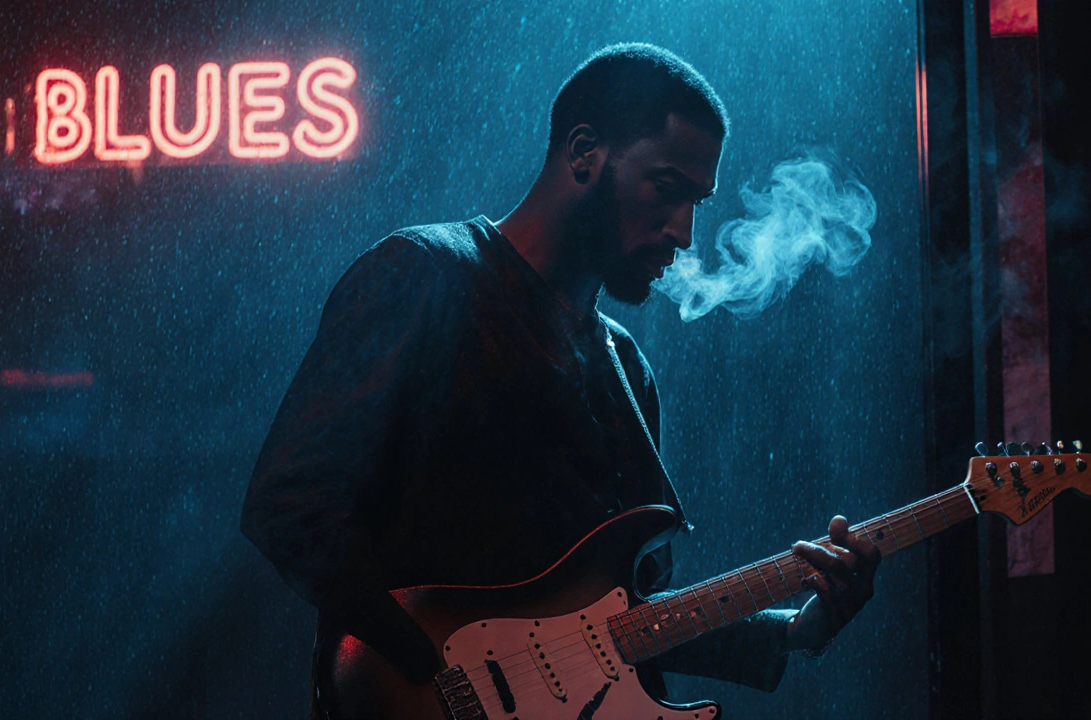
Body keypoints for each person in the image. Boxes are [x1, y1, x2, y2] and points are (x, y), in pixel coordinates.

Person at [241, 43, 881, 718]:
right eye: (668, 188)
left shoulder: (627, 369)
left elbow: (615, 629)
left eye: (698, 201)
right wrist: (431, 668)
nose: (687, 233)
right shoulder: (426, 274)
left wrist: (797, 629)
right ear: (584, 153)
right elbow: (290, 500)